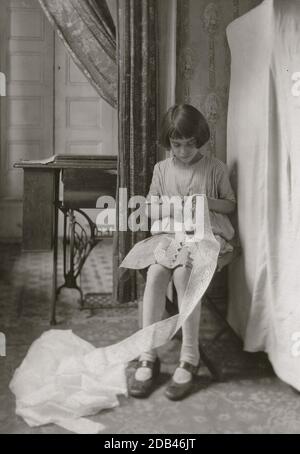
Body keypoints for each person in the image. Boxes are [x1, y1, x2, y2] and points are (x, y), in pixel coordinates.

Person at [120, 104, 236, 400]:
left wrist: (205, 200)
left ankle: (190, 356)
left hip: (203, 238)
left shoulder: (215, 168)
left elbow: (229, 205)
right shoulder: (162, 169)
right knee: (157, 273)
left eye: (189, 144)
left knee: (185, 276)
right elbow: (149, 206)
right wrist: (169, 206)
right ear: (167, 142)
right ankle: (148, 354)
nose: (183, 151)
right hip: (171, 236)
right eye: (176, 145)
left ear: (201, 141)